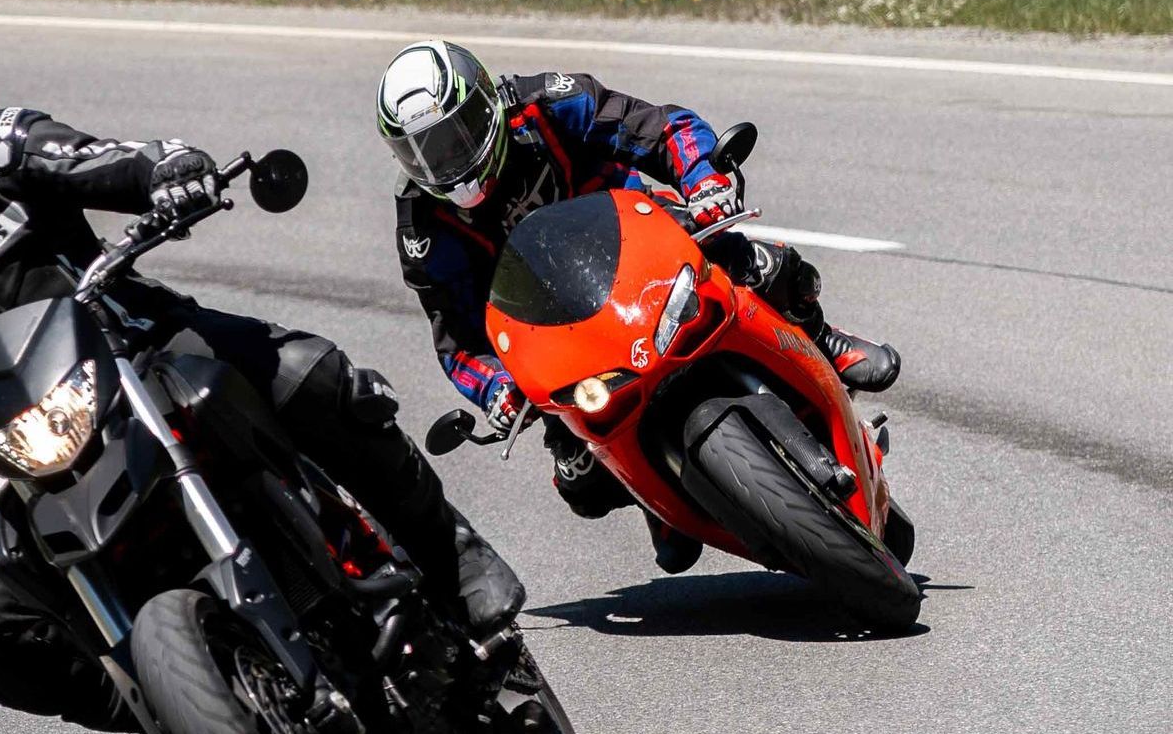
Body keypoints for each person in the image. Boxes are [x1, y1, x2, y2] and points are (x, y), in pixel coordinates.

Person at [0, 39, 524, 733]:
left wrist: (172, 172)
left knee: (316, 376)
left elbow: (120, 161)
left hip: (145, 349)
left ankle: (455, 562)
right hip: (48, 455)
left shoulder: (1, 150)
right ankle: (181, 711)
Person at [377, 38, 901, 573]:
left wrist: (704, 178)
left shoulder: (548, 104)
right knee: (580, 481)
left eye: (451, 140)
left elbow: (662, 128)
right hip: (553, 328)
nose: (443, 162)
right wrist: (495, 389)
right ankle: (656, 489)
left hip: (639, 240)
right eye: (419, 152)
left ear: (485, 105)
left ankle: (822, 339)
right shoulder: (421, 226)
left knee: (755, 263)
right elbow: (457, 340)